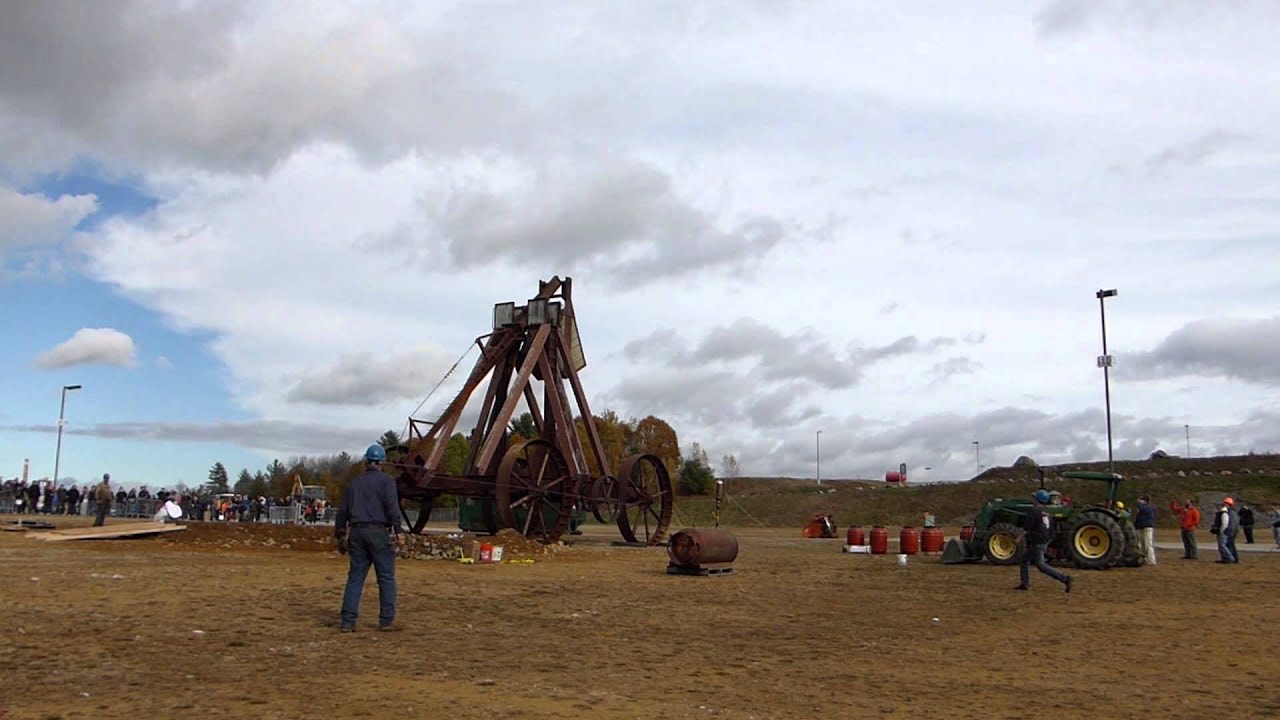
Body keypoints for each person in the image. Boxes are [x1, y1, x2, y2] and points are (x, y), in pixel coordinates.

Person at [335, 444, 405, 633]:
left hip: (357, 533)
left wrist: (340, 534)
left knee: (355, 578)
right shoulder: (387, 481)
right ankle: (386, 621)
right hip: (378, 532)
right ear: (382, 462)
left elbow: (342, 512)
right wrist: (399, 531)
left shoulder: (354, 483)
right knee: (386, 578)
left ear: (367, 461)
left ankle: (347, 622)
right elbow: (392, 507)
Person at [1016, 489, 1073, 594]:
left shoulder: (1034, 511)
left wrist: (1019, 538)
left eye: (1034, 498)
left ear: (1037, 500)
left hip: (1037, 541)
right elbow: (1052, 530)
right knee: (1024, 559)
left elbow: (1026, 527)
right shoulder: (1047, 512)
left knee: (1041, 565)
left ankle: (1065, 578)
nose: (1032, 500)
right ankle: (1024, 583)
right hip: (1044, 540)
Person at [1210, 498, 1238, 564]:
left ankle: (1230, 558)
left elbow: (1225, 523)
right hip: (1231, 532)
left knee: (1224, 545)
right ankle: (1228, 558)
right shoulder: (1232, 512)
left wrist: (1221, 530)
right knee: (1229, 545)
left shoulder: (1225, 513)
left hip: (1227, 532)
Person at [1133, 495, 1156, 565]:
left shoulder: (1148, 507)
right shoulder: (1148, 507)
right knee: (1143, 544)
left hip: (1147, 528)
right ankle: (1145, 559)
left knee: (1148, 544)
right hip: (1142, 527)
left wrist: (1139, 503)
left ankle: (1151, 560)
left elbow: (1142, 509)